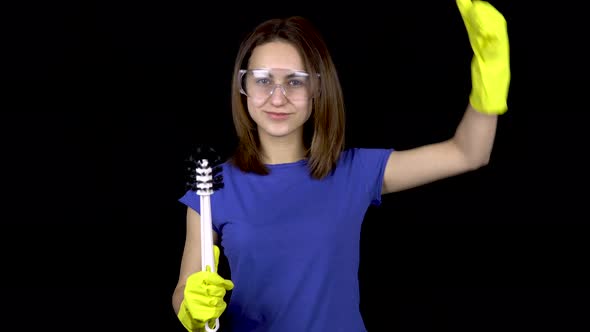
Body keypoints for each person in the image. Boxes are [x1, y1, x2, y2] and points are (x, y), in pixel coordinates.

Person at [172, 0, 510, 331]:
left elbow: (468, 153)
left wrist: (490, 78)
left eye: (295, 80)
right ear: (243, 86)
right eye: (262, 79)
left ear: (317, 86)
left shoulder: (354, 172)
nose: (277, 97)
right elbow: (184, 289)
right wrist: (193, 309)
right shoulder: (212, 187)